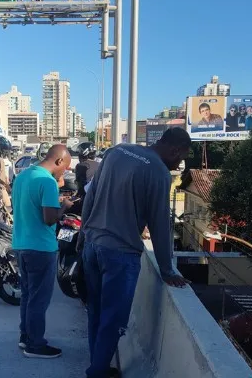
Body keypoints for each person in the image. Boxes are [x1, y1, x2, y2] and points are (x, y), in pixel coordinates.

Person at [76, 128, 191, 378]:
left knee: (95, 309)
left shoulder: (116, 152)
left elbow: (90, 196)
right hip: (120, 254)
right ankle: (97, 372)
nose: (180, 163)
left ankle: (97, 363)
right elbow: (160, 225)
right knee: (113, 319)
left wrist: (83, 236)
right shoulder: (159, 173)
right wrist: (167, 269)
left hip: (93, 245)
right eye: (181, 157)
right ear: (174, 150)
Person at [11, 144, 74, 359]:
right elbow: (49, 219)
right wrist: (64, 205)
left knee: (28, 295)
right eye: (65, 167)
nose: (64, 172)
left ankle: (25, 337)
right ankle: (36, 345)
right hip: (41, 248)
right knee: (39, 299)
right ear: (58, 161)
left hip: (21, 244)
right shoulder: (47, 181)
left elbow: (31, 206)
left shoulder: (23, 176)